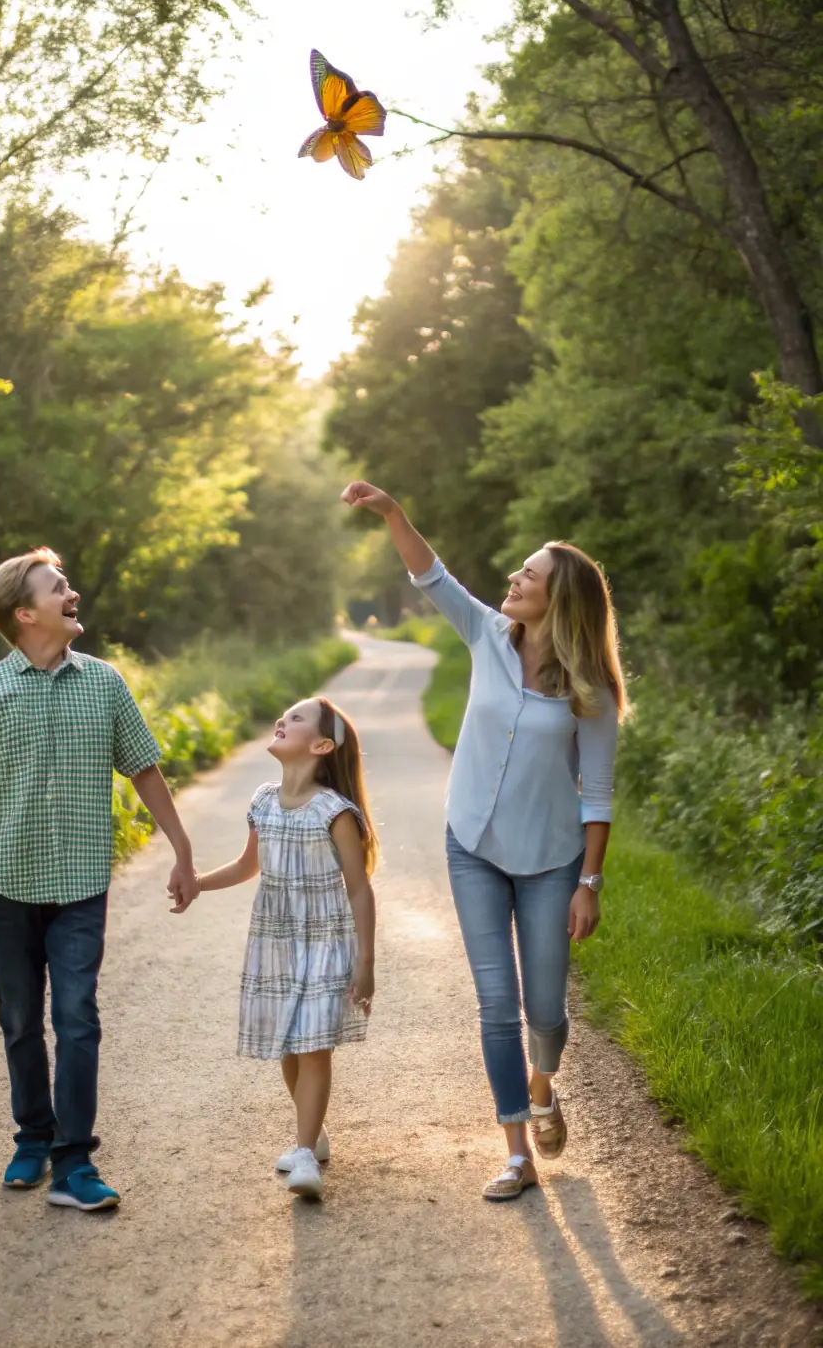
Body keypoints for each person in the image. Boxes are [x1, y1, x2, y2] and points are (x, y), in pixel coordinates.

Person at [341, 481, 628, 1201]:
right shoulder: (486, 636)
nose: (513, 579)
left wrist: (589, 883)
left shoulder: (589, 687)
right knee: (495, 1001)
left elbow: (597, 793)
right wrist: (390, 511)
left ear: (556, 599)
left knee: (547, 1010)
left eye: (527, 575)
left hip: (550, 859)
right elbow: (430, 573)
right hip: (470, 841)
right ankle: (517, 1150)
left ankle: (542, 1086)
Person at [0, 547, 200, 1212]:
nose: (72, 592)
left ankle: (75, 1160)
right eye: (59, 587)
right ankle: (33, 1134)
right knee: (20, 1018)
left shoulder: (103, 682)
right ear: (26, 614)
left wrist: (182, 848)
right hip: (8, 883)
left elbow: (142, 767)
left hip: (81, 882)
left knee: (77, 1016)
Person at [195, 696, 378, 1199]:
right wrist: (197, 884)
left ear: (321, 746)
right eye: (283, 715)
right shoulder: (262, 799)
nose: (282, 720)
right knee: (287, 1044)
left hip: (324, 939)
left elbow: (360, 888)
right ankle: (311, 1130)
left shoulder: (335, 811)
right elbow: (246, 865)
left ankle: (303, 1155)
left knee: (313, 1044)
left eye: (296, 719)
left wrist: (366, 962)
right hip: (274, 940)